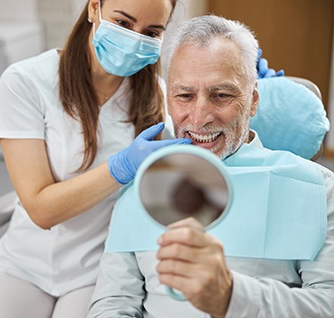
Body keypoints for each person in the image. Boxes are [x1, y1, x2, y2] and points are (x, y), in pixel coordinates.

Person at [88, 15, 334, 317]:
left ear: (253, 100)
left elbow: (327, 304)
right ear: (168, 100)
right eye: (185, 95)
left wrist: (231, 296)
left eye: (221, 95)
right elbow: (112, 304)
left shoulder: (317, 190)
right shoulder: (139, 189)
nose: (200, 116)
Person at [0, 1, 192, 317]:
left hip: (98, 269)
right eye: (123, 23)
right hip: (23, 263)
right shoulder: (27, 82)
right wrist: (121, 167)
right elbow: (41, 210)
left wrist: (254, 94)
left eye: (151, 32)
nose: (135, 40)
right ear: (94, 8)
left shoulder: (156, 96)